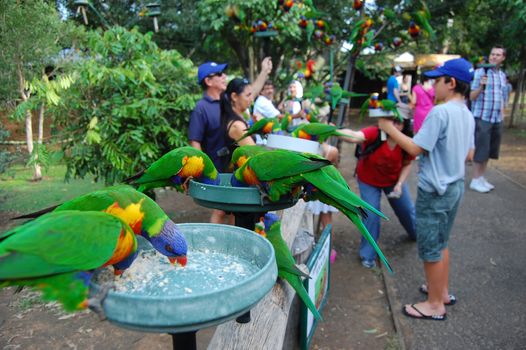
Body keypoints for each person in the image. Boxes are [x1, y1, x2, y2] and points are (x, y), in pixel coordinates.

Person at [378, 58, 475, 321]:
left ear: (451, 83)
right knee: (442, 242)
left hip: (435, 190)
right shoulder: (467, 113)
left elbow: (415, 148)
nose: (433, 86)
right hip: (455, 186)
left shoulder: (440, 112)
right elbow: (469, 154)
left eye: (437, 80)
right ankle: (440, 291)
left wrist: (387, 128)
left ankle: (434, 305)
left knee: (431, 247)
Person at [188, 57, 272, 223]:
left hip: (232, 162)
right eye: (219, 74)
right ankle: (214, 244)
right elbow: (194, 142)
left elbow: (250, 92)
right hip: (216, 166)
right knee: (220, 210)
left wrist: (264, 72)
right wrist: (201, 171)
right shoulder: (201, 108)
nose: (224, 76)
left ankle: (231, 242)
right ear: (208, 81)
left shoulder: (226, 101)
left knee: (233, 209)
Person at [339, 118, 417, 269]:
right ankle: (367, 255)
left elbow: (407, 164)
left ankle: (416, 234)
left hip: (394, 181)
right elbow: (355, 136)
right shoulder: (375, 132)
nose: (394, 125)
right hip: (368, 179)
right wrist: (333, 131)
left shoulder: (406, 142)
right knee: (371, 214)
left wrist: (400, 184)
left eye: (398, 122)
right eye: (391, 121)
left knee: (406, 210)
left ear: (404, 124)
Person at [469, 45, 507, 193]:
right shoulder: (480, 73)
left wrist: (502, 114)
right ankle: (475, 179)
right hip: (482, 117)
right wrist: (480, 87)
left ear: (503, 58)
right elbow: (472, 97)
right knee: (481, 150)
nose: (494, 57)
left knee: (490, 150)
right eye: (492, 54)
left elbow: (502, 96)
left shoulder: (502, 75)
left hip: (496, 118)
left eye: (498, 55)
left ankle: (481, 178)